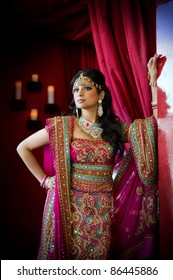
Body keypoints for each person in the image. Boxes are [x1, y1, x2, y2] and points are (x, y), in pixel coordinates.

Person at [16, 54, 162, 260]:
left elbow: (152, 127)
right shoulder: (62, 126)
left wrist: (154, 82)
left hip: (102, 207)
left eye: (86, 87)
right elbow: (23, 147)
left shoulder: (114, 130)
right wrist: (45, 181)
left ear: (100, 93)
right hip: (67, 205)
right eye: (76, 89)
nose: (79, 93)